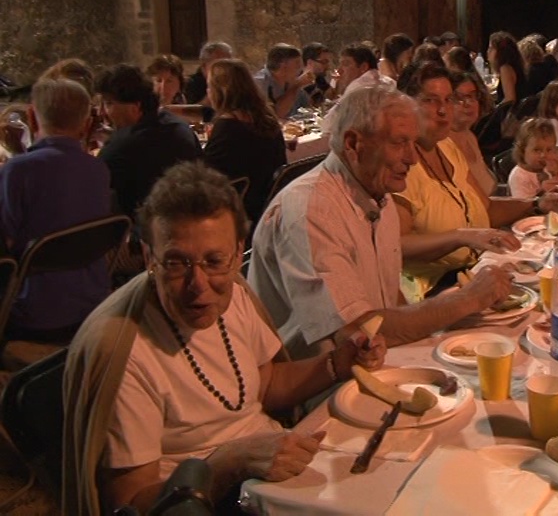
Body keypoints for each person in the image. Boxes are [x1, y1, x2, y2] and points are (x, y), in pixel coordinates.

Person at [63, 162, 386, 515]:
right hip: (206, 500)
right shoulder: (125, 352)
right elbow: (132, 502)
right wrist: (228, 463)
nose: (198, 285)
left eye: (214, 261)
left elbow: (266, 384)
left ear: (237, 252)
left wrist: (338, 363)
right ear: (147, 257)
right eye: (176, 263)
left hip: (268, 471)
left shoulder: (234, 293)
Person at [248, 84, 516, 355]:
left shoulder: (377, 191)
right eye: (399, 143)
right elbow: (356, 332)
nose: (412, 158)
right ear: (353, 144)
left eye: (413, 143)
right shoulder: (311, 210)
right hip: (318, 386)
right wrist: (466, 300)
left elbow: (389, 299)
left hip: (374, 360)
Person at [395, 62, 558, 301]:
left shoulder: (447, 147)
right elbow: (398, 246)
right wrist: (460, 236)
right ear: (404, 105)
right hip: (433, 289)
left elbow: (486, 208)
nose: (443, 110)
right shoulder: (399, 164)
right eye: (431, 100)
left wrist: (536, 203)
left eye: (447, 100)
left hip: (477, 270)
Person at [0, 78, 111, 343]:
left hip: (34, 311)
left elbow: (7, 242)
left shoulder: (18, 171)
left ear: (31, 118)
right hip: (93, 303)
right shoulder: (98, 169)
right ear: (85, 124)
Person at [96, 64, 202, 219]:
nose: (101, 112)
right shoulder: (178, 125)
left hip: (151, 233)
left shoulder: (121, 149)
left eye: (109, 103)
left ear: (135, 107)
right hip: (193, 217)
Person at [203, 59, 287, 224]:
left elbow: (206, 176)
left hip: (236, 213)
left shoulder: (227, 127)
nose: (208, 92)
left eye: (209, 86)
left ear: (220, 91)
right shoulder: (267, 119)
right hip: (267, 206)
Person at [448, 70, 497, 196]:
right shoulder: (444, 144)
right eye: (459, 98)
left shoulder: (469, 136)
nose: (468, 104)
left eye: (472, 96)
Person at [252, 43, 315, 119]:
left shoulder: (289, 79)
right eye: (297, 64)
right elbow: (276, 115)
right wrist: (297, 85)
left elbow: (308, 107)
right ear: (283, 66)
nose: (300, 68)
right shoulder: (260, 84)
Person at [507, 118, 558, 198]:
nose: (543, 155)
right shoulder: (519, 176)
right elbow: (522, 207)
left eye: (549, 150)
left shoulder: (550, 169)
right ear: (523, 150)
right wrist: (542, 193)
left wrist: (556, 176)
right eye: (537, 150)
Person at [487, 31, 529, 106]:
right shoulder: (515, 65)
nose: (488, 51)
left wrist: (494, 110)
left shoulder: (505, 68)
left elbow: (510, 99)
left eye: (491, 48)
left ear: (501, 52)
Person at [301, 42, 334, 107]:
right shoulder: (301, 83)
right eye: (324, 62)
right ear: (310, 62)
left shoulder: (319, 77)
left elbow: (330, 97)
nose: (328, 66)